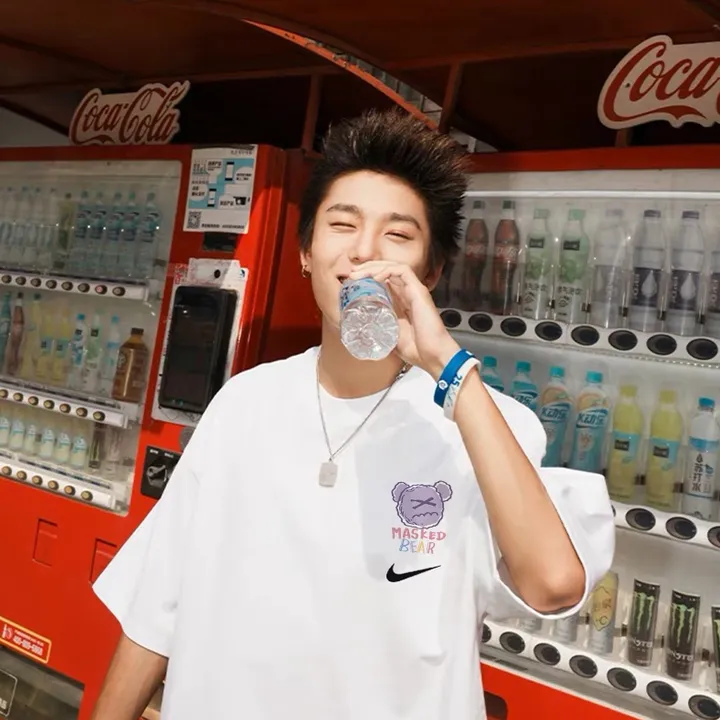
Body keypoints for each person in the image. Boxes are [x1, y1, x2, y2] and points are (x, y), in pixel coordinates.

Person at [91, 108, 614, 720]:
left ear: (430, 272)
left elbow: (552, 584)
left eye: (398, 235)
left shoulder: (483, 422)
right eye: (342, 224)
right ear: (306, 252)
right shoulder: (244, 403)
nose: (364, 251)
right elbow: (157, 607)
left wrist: (447, 365)